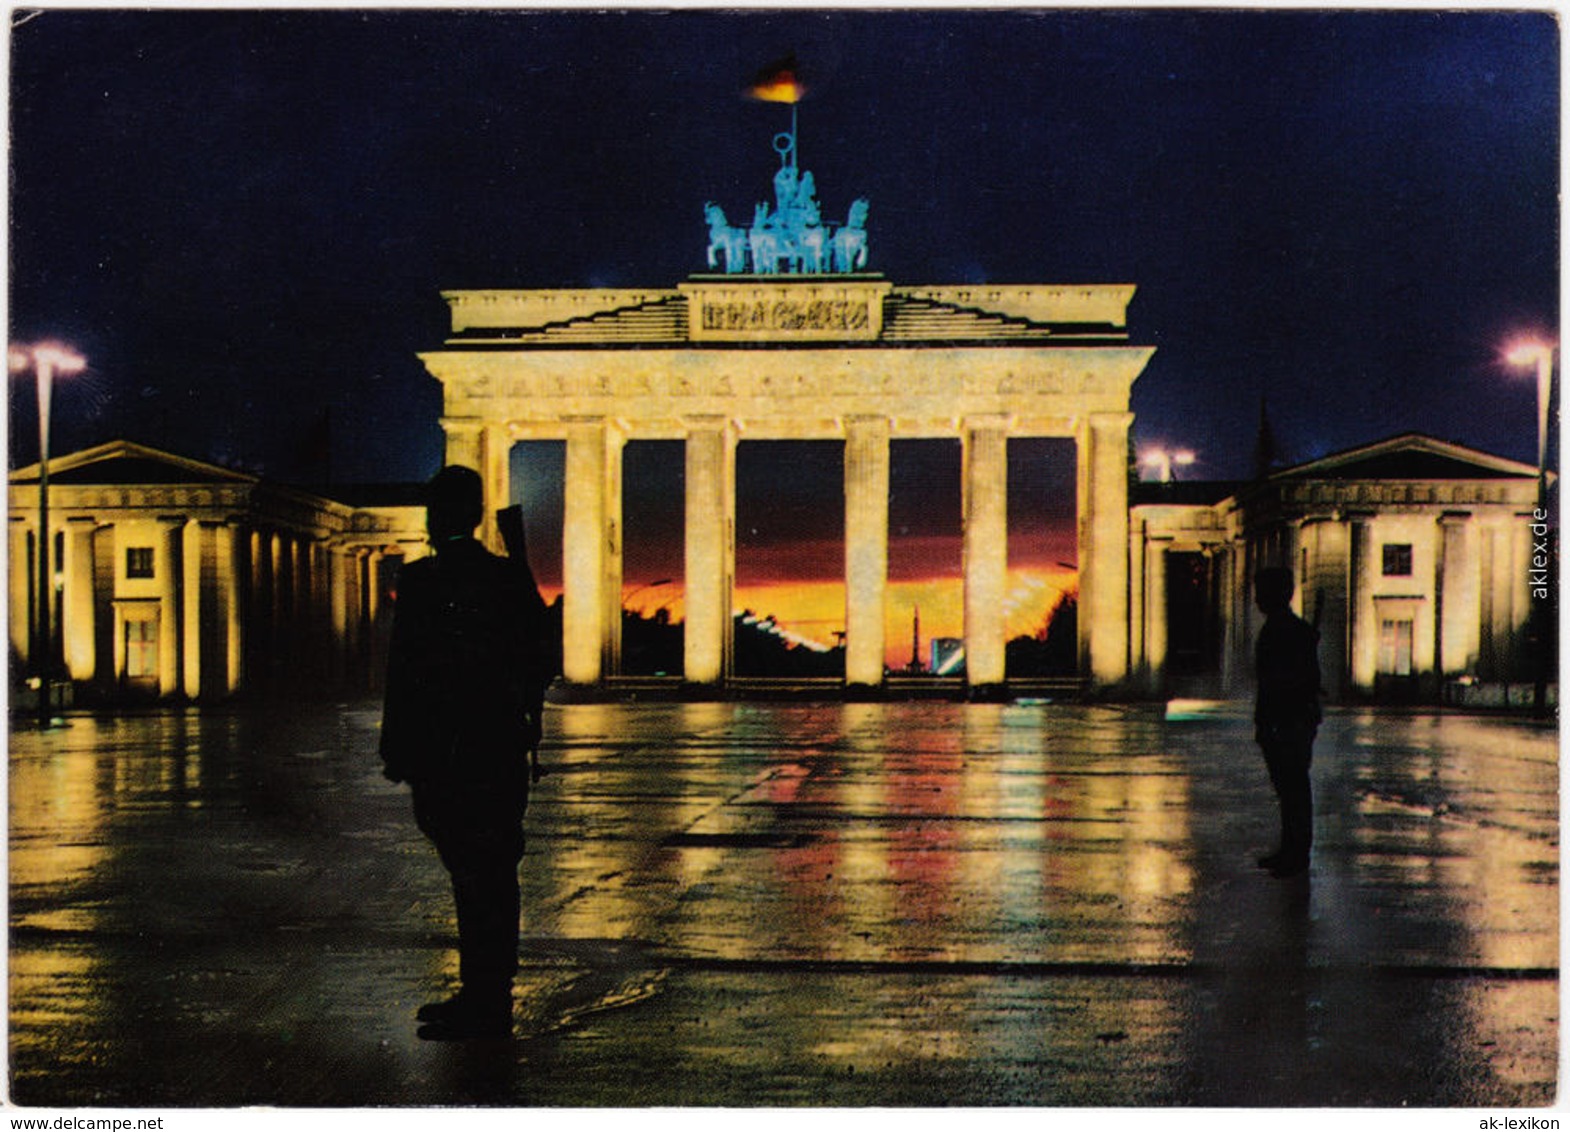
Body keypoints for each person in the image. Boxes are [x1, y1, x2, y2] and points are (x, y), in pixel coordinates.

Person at [380, 466, 549, 1040]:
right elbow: (541, 658)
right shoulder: (505, 579)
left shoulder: (424, 580)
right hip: (495, 751)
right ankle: (486, 994)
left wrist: (397, 749)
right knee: (490, 876)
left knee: (474, 875)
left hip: (445, 753)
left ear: (438, 517)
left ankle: (484, 1000)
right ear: (478, 516)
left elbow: (402, 672)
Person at [1252, 566, 1321, 879]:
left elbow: (1285, 681)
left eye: (1261, 591)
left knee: (1293, 787)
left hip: (1288, 720)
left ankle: (1297, 853)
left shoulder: (1285, 631)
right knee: (1289, 788)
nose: (1257, 598)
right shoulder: (1291, 629)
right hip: (1286, 718)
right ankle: (1291, 849)